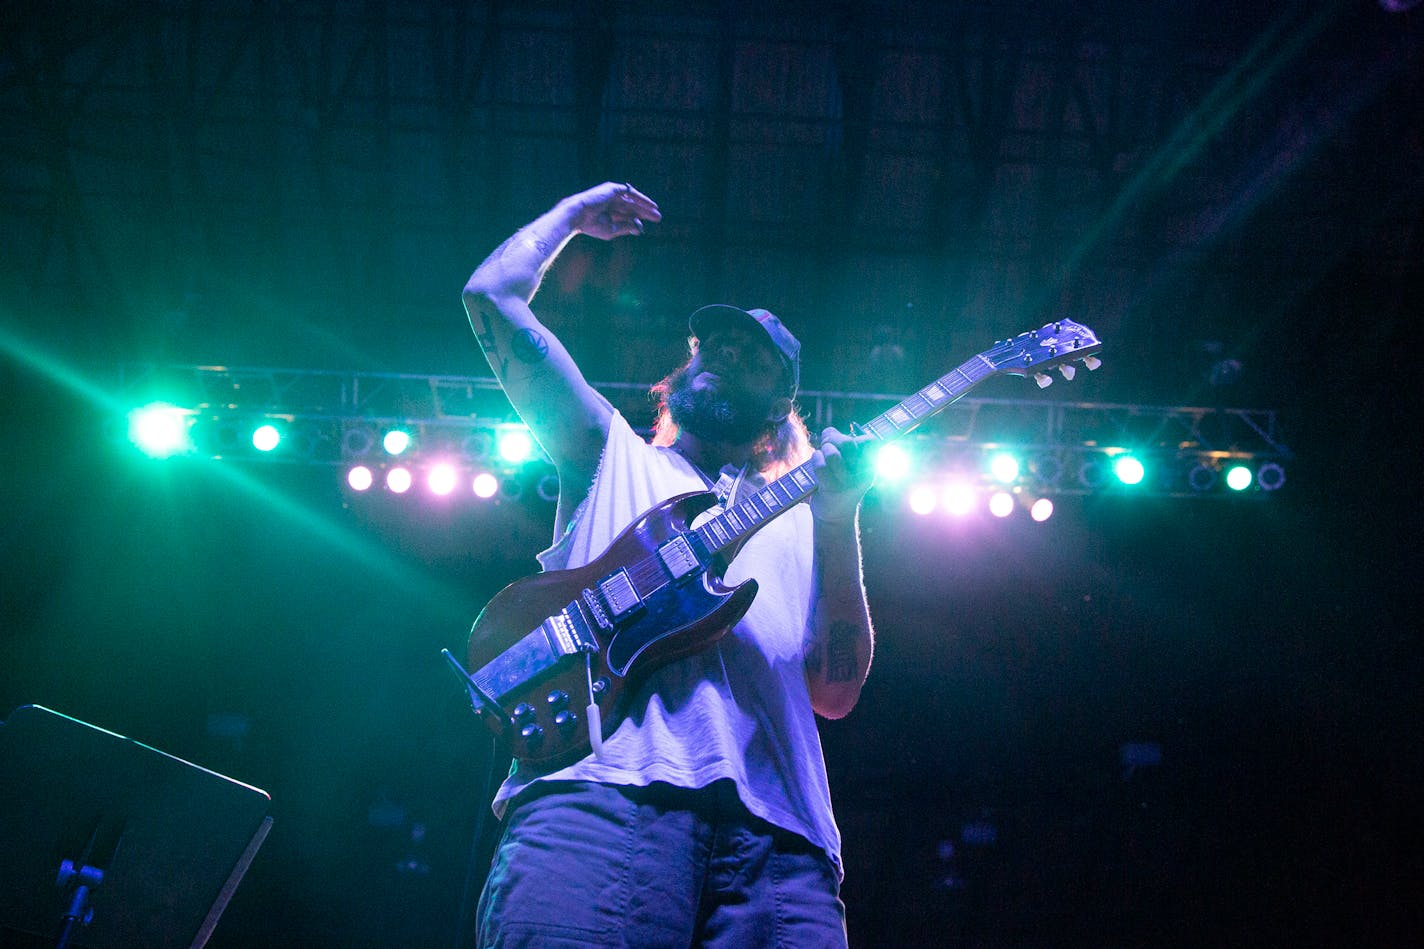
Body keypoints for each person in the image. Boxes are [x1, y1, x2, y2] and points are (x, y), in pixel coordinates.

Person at [461, 182, 877, 947]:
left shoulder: (813, 515)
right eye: (713, 346)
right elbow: (491, 295)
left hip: (782, 846)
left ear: (780, 401)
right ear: (681, 373)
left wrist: (841, 519)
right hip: (598, 796)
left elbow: (836, 691)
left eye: (750, 359)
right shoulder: (607, 453)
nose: (725, 356)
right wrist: (567, 224)